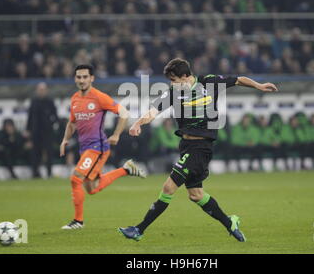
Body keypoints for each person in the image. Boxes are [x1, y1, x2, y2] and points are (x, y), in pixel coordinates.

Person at [118, 58, 278, 242]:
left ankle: (138, 229)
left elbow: (238, 79)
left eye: (174, 80)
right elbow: (153, 112)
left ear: (186, 76)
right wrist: (138, 123)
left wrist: (259, 86)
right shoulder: (173, 93)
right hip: (186, 146)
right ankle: (230, 223)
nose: (172, 84)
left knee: (168, 188)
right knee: (196, 195)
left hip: (201, 147)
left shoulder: (208, 82)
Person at [60, 64, 146, 230]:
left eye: (85, 77)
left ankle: (78, 221)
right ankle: (126, 170)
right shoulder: (75, 99)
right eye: (79, 77)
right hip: (84, 148)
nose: (82, 80)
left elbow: (124, 113)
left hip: (97, 147)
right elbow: (72, 123)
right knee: (91, 189)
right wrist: (65, 140)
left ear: (92, 78)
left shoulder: (99, 97)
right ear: (75, 79)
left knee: (75, 178)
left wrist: (116, 134)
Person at [26, 82, 59, 178]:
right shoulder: (34, 102)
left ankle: (49, 173)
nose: (41, 92)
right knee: (35, 153)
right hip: (35, 132)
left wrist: (51, 124)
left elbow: (55, 116)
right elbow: (30, 117)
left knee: (49, 153)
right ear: (37, 91)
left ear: (46, 91)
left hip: (47, 132)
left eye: (43, 90)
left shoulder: (50, 101)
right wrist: (28, 129)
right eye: (40, 90)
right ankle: (35, 173)